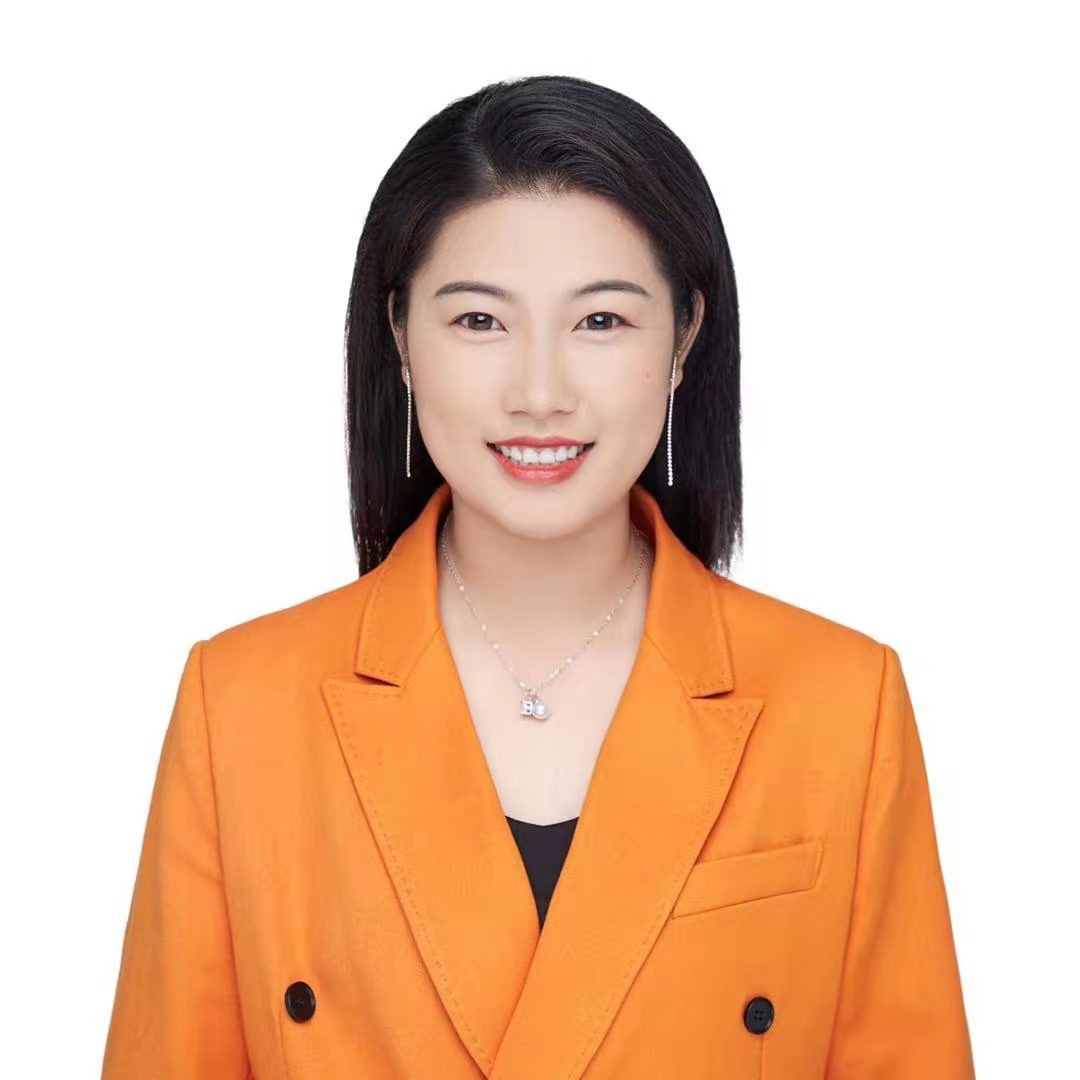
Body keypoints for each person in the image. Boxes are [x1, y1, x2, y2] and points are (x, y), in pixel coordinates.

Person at [102, 74, 975, 1078]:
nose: (540, 392)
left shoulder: (842, 704)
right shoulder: (242, 705)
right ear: (400, 337)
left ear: (685, 338)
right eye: (481, 322)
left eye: (600, 322)